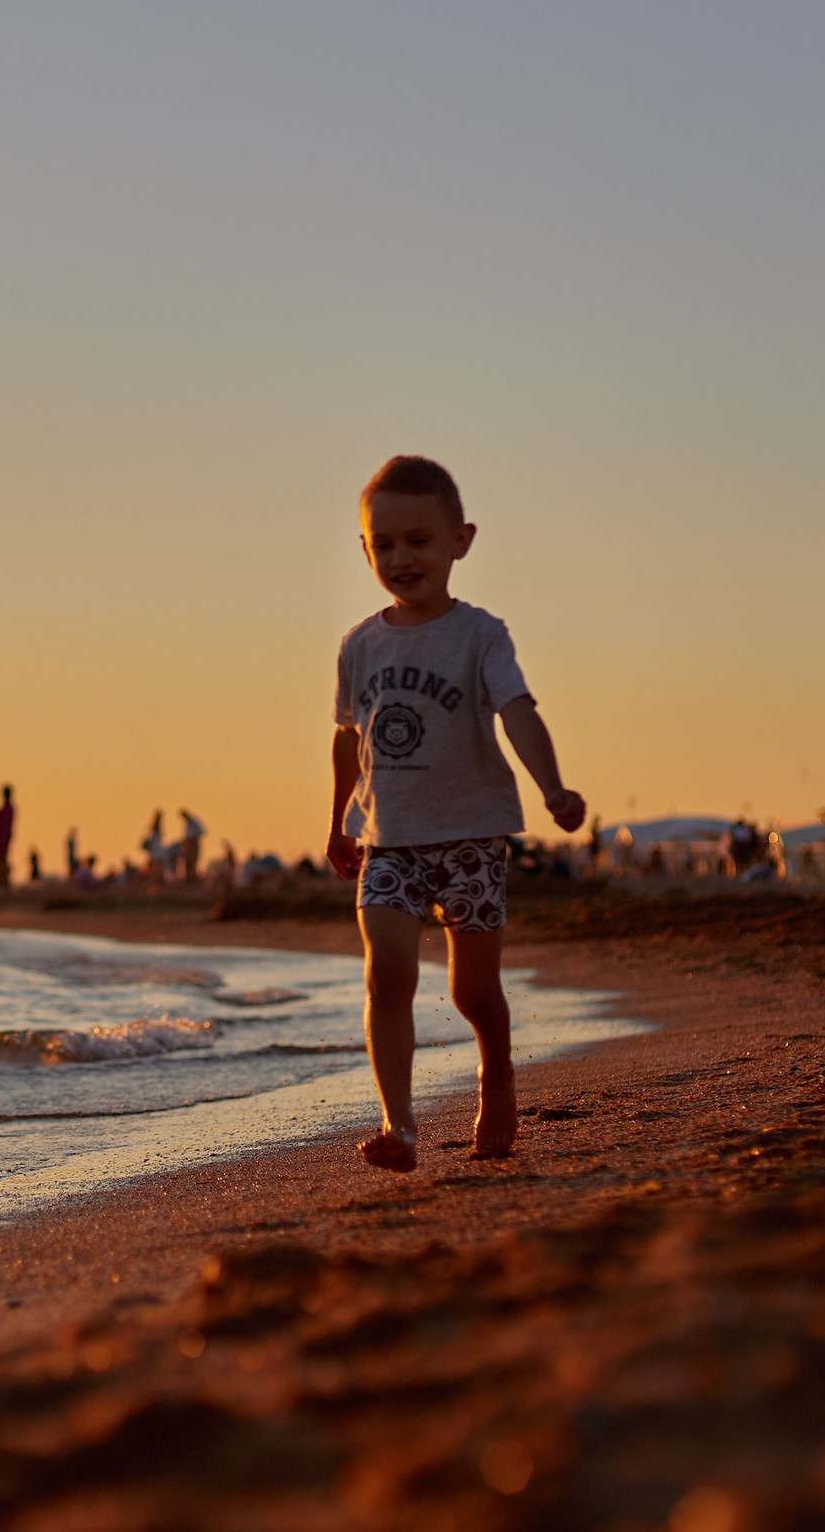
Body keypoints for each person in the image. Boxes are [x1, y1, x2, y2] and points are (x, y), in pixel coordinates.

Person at [326, 455, 586, 1173]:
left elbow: (518, 712)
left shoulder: (480, 635)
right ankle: (399, 1125)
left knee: (471, 990)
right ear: (365, 549)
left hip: (470, 834)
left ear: (460, 540)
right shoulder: (359, 645)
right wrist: (338, 818)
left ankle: (495, 1073)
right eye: (385, 544)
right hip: (388, 843)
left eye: (420, 539)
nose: (402, 558)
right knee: (387, 977)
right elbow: (349, 738)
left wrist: (553, 787)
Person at [178, 810, 207, 881]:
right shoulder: (187, 824)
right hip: (188, 844)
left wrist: (192, 840)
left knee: (192, 861)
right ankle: (188, 878)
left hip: (193, 844)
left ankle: (192, 878)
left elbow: (201, 832)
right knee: (187, 861)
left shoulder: (194, 822)